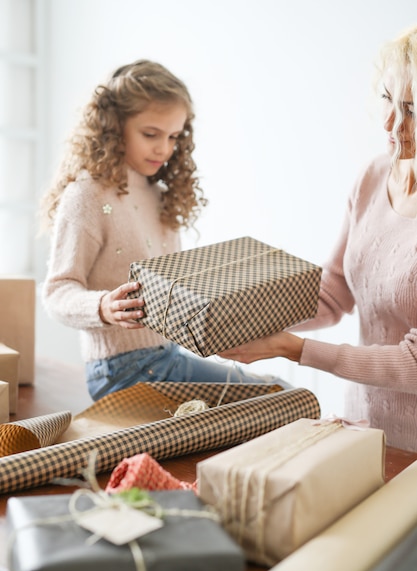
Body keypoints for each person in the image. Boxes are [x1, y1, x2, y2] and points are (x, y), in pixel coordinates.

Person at [220, 24, 417, 452]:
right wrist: (239, 316)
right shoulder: (373, 177)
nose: (390, 122)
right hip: (364, 427)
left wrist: (294, 350)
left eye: (412, 109)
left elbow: (413, 363)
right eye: (387, 97)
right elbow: (334, 294)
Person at [41, 59, 283, 401]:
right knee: (276, 396)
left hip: (166, 358)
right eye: (151, 134)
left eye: (173, 137)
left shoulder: (158, 194)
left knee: (277, 391)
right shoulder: (87, 195)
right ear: (113, 126)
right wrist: (103, 307)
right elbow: (57, 293)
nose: (164, 149)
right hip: (121, 372)